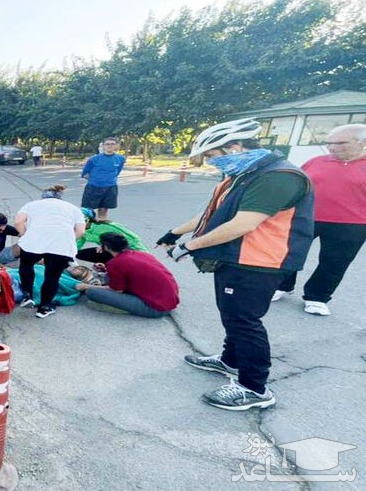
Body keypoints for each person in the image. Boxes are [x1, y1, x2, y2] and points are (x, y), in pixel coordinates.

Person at [157, 118, 313, 411]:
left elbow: (243, 223)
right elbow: (213, 213)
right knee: (231, 315)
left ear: (234, 147)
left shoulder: (277, 176)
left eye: (213, 156)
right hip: (236, 257)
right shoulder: (244, 173)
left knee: (244, 321)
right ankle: (230, 360)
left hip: (258, 261)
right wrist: (176, 231)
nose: (212, 163)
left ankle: (254, 388)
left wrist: (189, 246)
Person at [271, 124, 366, 316]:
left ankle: (317, 297)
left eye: (340, 143)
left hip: (352, 224)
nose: (332, 147)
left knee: (334, 262)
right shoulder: (316, 161)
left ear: (361, 142)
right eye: (329, 143)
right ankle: (282, 285)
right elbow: (296, 185)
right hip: (306, 217)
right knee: (289, 252)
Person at [14, 184, 86, 318]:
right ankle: (44, 307)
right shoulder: (73, 208)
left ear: (43, 197)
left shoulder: (31, 205)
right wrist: (67, 239)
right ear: (60, 198)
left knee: (26, 265)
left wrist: (24, 234)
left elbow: (18, 222)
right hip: (61, 245)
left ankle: (28, 295)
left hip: (34, 242)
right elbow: (81, 231)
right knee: (52, 276)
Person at [76, 233, 179, 318]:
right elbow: (131, 270)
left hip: (155, 309)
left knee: (91, 292)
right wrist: (106, 268)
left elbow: (116, 290)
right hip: (169, 300)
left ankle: (122, 308)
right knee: (108, 278)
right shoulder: (141, 254)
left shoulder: (116, 263)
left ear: (106, 247)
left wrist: (86, 286)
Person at [76, 207, 148, 264]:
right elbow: (77, 245)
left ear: (87, 220)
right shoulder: (83, 230)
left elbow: (131, 240)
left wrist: (104, 246)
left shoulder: (103, 227)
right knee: (78, 254)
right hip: (112, 248)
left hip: (132, 251)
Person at [81, 137, 126, 222]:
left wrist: (108, 180)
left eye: (112, 144)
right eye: (107, 144)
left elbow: (117, 171)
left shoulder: (120, 159)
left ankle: (101, 225)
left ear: (116, 146)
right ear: (103, 146)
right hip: (93, 187)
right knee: (87, 211)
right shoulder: (94, 159)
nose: (109, 146)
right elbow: (86, 173)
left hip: (110, 187)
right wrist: (96, 180)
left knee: (103, 210)